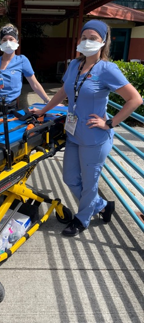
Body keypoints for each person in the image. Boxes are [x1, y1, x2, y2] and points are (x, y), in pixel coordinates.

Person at [30, 19, 143, 237]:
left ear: (103, 42)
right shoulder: (74, 64)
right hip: (74, 132)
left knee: (90, 182)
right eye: (84, 37)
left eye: (93, 38)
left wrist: (110, 123)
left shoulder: (108, 69)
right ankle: (102, 206)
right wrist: (44, 110)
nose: (87, 41)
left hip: (95, 137)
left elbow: (135, 99)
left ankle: (82, 219)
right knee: (70, 178)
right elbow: (63, 92)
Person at [0, 24, 50, 118]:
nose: (8, 42)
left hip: (13, 107)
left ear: (17, 41)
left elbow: (34, 84)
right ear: (0, 42)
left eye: (11, 39)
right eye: (4, 40)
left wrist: (48, 101)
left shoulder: (22, 60)